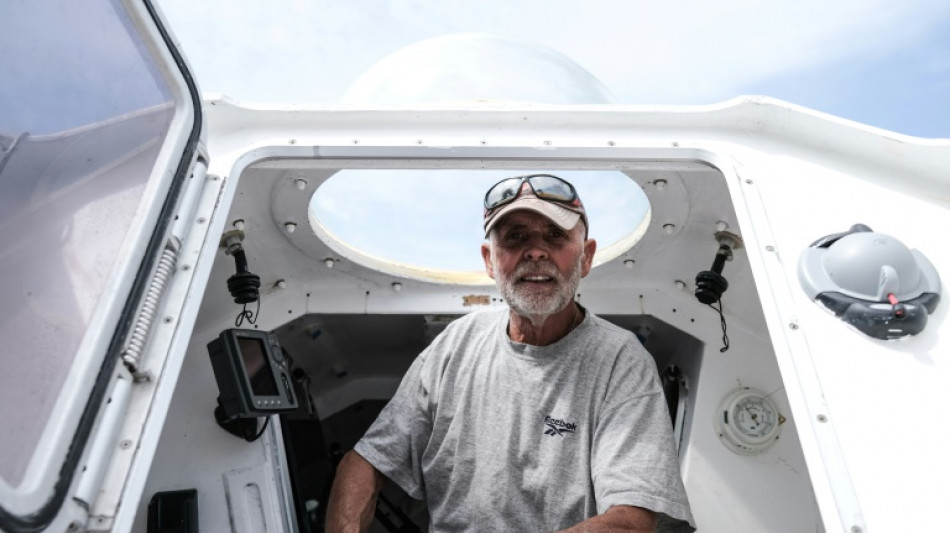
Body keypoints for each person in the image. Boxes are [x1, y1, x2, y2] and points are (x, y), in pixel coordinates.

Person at [327, 174, 694, 532]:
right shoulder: (455, 344)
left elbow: (631, 522)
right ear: (490, 260)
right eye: (515, 237)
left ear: (586, 257)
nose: (535, 250)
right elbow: (363, 464)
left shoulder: (619, 358)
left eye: (555, 235)